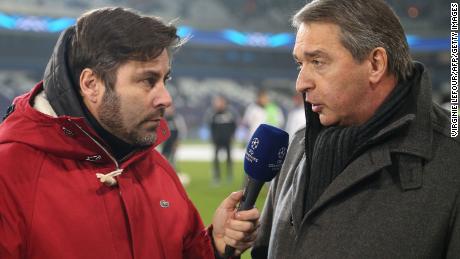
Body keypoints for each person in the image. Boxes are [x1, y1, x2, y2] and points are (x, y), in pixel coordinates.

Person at [0, 7, 259, 259]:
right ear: (91, 84)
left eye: (164, 80)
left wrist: (214, 248)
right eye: (148, 80)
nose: (166, 98)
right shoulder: (9, 173)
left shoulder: (157, 169)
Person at [251, 0, 460, 258]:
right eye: (300, 64)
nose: (300, 83)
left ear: (375, 64)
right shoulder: (297, 146)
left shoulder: (452, 161)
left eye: (317, 61)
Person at [206, 95, 238, 185]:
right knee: (216, 159)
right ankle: (217, 177)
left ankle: (229, 176)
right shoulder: (213, 114)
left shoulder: (230, 113)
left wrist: (232, 136)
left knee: (229, 158)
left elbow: (234, 126)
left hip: (227, 140)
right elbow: (210, 127)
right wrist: (213, 138)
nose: (219, 104)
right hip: (217, 140)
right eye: (217, 102)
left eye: (221, 102)